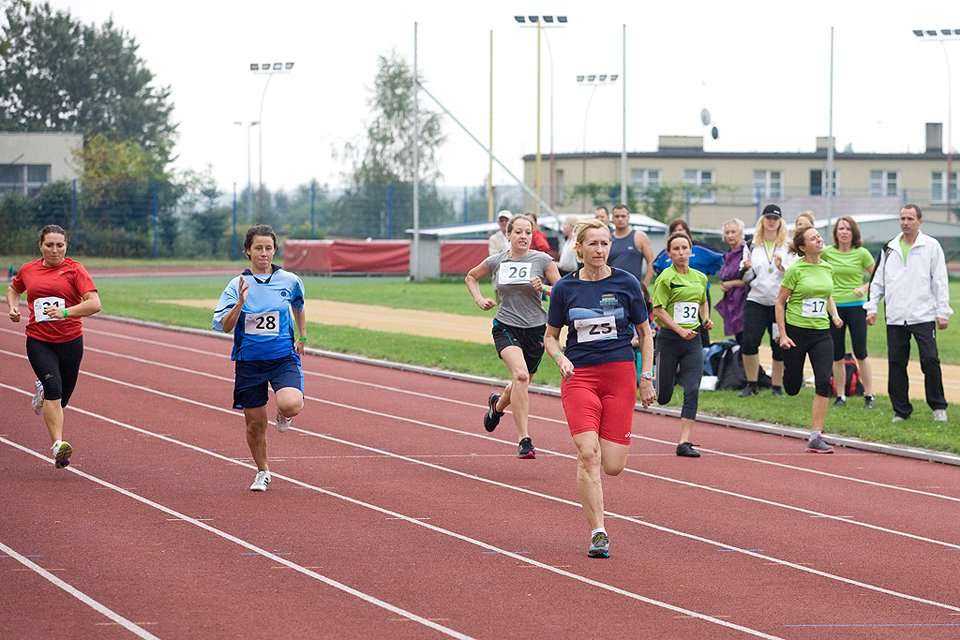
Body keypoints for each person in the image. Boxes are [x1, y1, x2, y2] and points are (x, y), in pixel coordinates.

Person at [544, 219, 655, 558]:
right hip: (580, 375)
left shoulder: (627, 283)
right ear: (579, 248)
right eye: (592, 244)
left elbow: (646, 332)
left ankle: (597, 514)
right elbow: (550, 337)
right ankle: (598, 531)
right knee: (587, 452)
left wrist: (646, 375)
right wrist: (560, 358)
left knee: (613, 465)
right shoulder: (565, 288)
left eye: (604, 244)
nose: (600, 250)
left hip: (619, 375)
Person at [213, 224, 307, 491]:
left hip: (282, 358)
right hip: (249, 362)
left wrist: (303, 336)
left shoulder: (290, 280)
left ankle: (284, 415)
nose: (264, 253)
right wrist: (240, 304)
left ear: (274, 250)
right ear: (247, 251)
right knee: (255, 424)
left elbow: (299, 306)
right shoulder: (236, 284)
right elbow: (224, 325)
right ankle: (262, 471)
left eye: (268, 248)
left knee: (291, 404)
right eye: (258, 248)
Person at [5, 225, 101, 469]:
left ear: (66, 246)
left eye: (60, 245)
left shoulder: (75, 270)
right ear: (41, 245)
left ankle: (42, 393)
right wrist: (13, 307)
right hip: (39, 341)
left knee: (62, 398)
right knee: (53, 388)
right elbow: (14, 289)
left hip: (70, 342)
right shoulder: (29, 270)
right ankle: (58, 446)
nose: (55, 250)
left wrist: (65, 312)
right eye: (50, 245)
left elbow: (95, 304)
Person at [465, 215, 561, 458]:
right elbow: (471, 276)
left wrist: (545, 288)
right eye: (518, 232)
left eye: (527, 232)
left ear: (533, 235)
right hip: (506, 325)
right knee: (519, 375)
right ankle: (524, 440)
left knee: (522, 381)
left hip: (537, 329)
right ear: (508, 235)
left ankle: (496, 407)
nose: (523, 236)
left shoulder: (542, 260)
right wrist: (479, 299)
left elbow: (563, 291)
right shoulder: (497, 260)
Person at [865, 204, 952, 422]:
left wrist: (943, 311)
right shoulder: (889, 248)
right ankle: (901, 411)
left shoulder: (931, 246)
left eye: (910, 218)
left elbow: (940, 281)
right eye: (902, 218)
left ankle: (938, 407)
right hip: (895, 317)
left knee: (930, 360)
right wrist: (872, 307)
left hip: (923, 315)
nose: (905, 222)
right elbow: (878, 281)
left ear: (919, 221)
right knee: (896, 363)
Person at [775, 226, 843, 453]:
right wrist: (783, 334)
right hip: (796, 332)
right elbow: (780, 302)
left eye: (819, 236)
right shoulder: (796, 270)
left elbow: (826, 294)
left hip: (821, 333)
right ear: (803, 247)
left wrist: (834, 315)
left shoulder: (827, 267)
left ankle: (816, 435)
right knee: (793, 386)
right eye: (813, 238)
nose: (819, 239)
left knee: (824, 380)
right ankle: (790, 374)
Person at [651, 232, 711, 458]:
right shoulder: (666, 278)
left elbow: (702, 302)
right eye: (676, 249)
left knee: (693, 388)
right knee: (664, 396)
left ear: (691, 250)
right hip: (669, 339)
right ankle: (659, 379)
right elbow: (658, 310)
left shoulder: (700, 277)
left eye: (684, 248)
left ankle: (684, 442)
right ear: (669, 253)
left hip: (692, 340)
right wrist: (678, 329)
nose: (681, 253)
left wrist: (704, 319)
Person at [821, 216, 876, 408]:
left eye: (847, 229)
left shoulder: (862, 253)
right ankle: (840, 395)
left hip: (856, 307)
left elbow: (879, 278)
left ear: (853, 233)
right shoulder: (827, 252)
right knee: (837, 353)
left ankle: (869, 395)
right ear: (835, 233)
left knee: (860, 351)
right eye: (840, 229)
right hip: (834, 307)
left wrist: (864, 287)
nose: (844, 232)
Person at [739, 204, 789, 396]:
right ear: (762, 220)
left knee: (779, 345)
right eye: (768, 218)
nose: (771, 222)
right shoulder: (751, 244)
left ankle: (777, 386)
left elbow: (793, 274)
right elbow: (746, 278)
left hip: (779, 302)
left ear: (780, 222)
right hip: (756, 300)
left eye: (775, 219)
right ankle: (751, 384)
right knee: (749, 342)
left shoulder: (787, 245)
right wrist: (746, 268)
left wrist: (782, 266)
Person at [715, 218, 749, 343]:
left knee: (746, 340)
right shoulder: (728, 254)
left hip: (745, 301)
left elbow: (751, 279)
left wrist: (731, 283)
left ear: (741, 233)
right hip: (732, 301)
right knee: (739, 338)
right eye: (727, 232)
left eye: (733, 232)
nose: (730, 235)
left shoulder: (747, 251)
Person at [609, 203, 655, 288]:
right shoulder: (607, 239)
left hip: (634, 289)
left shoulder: (640, 237)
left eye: (623, 216)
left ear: (628, 217)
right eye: (617, 216)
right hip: (612, 289)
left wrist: (644, 286)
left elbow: (651, 263)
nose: (620, 219)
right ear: (612, 218)